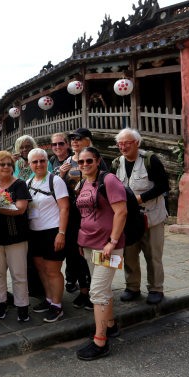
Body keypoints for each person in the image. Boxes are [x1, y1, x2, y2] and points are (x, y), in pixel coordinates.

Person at [75, 147, 127, 361]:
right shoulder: (83, 183)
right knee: (103, 290)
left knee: (96, 292)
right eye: (81, 162)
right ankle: (110, 325)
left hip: (108, 247)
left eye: (89, 161)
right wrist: (82, 240)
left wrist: (112, 242)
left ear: (97, 161)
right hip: (89, 245)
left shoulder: (110, 180)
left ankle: (100, 342)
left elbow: (121, 212)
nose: (85, 164)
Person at [112, 128, 169, 304]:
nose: (123, 147)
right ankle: (132, 287)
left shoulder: (150, 160)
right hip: (129, 220)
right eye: (120, 144)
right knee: (129, 254)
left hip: (151, 217)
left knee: (153, 255)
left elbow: (163, 185)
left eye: (127, 143)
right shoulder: (117, 163)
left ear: (137, 142)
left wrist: (141, 198)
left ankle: (156, 289)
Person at [0, 151, 32, 322]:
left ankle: (22, 306)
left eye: (9, 164)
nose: (6, 167)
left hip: (16, 237)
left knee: (18, 274)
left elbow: (20, 209)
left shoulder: (19, 185)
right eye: (2, 164)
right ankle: (1, 303)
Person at [61, 128, 106, 305]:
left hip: (93, 214)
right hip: (73, 215)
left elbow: (104, 184)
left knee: (96, 252)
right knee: (76, 254)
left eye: (79, 138)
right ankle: (84, 291)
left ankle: (99, 289)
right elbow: (62, 190)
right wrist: (62, 175)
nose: (74, 141)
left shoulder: (96, 160)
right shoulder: (67, 162)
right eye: (72, 138)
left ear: (88, 141)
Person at [26, 149, 70, 323]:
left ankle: (57, 306)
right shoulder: (28, 182)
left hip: (52, 231)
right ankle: (50, 299)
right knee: (41, 268)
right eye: (35, 162)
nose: (39, 164)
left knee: (52, 271)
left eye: (42, 161)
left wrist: (61, 233)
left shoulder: (55, 180)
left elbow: (65, 208)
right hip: (34, 232)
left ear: (47, 162)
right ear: (29, 164)